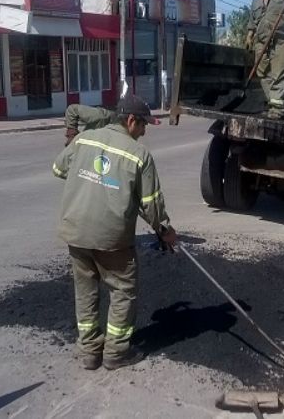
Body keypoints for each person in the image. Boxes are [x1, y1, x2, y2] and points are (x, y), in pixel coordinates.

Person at [52, 94, 177, 371]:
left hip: (76, 233)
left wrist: (88, 173)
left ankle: (89, 351)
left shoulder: (83, 141)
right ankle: (116, 352)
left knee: (85, 291)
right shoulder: (138, 154)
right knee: (122, 290)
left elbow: (58, 169)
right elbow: (151, 204)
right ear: (130, 120)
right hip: (111, 239)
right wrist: (165, 231)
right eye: (143, 125)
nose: (144, 132)